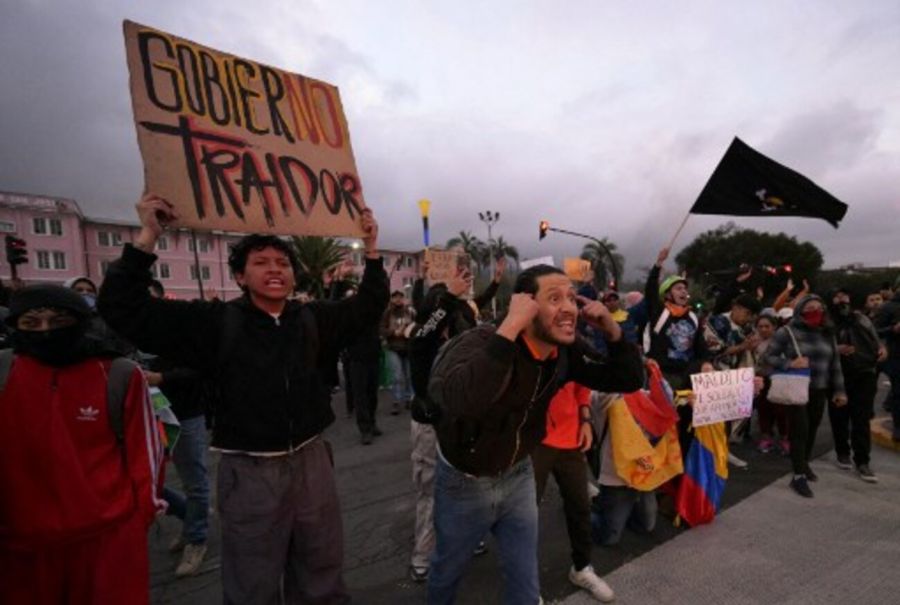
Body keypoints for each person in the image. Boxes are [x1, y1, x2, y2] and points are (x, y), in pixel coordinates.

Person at [98, 194, 388, 604]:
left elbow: (367, 306)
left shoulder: (313, 318)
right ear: (239, 276)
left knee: (322, 573)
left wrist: (372, 249)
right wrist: (148, 236)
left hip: (312, 463)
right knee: (253, 584)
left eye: (283, 263)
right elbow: (123, 307)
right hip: (249, 472)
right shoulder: (214, 322)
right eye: (261, 262)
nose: (275, 269)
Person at [426, 265, 643, 604]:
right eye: (554, 299)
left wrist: (613, 332)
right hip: (464, 482)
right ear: (524, 305)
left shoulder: (565, 352)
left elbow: (627, 379)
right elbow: (460, 400)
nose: (569, 308)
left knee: (525, 582)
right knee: (447, 570)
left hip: (519, 475)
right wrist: (510, 327)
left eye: (571, 298)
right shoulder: (479, 342)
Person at [0, 285, 164, 604]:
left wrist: (139, 519)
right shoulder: (5, 373)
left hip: (106, 538)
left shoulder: (117, 374)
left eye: (59, 321)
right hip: (21, 546)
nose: (46, 331)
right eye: (31, 323)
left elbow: (146, 454)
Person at [406, 262, 494, 583]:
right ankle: (423, 557)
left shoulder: (462, 336)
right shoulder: (422, 338)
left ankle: (469, 537)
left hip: (462, 423)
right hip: (430, 425)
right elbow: (424, 336)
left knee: (468, 484)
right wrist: (446, 298)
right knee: (431, 491)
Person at [144, 279, 214, 577]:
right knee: (148, 480)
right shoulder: (126, 332)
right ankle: (191, 517)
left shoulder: (182, 331)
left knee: (194, 479)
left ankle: (196, 538)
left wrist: (162, 378)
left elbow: (201, 369)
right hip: (144, 417)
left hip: (183, 414)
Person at [533, 383, 614, 602]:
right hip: (534, 439)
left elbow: (582, 385)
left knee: (580, 505)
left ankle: (582, 567)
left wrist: (585, 420)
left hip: (570, 437)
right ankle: (525, 584)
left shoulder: (576, 356)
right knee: (526, 517)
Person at [763, 295, 847, 498]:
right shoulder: (787, 331)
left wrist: (839, 390)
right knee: (800, 431)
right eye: (810, 308)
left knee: (812, 429)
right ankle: (798, 475)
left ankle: (804, 463)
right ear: (800, 310)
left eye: (819, 307)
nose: (815, 311)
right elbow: (768, 356)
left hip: (820, 389)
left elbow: (835, 364)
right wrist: (789, 363)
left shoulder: (827, 333)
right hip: (796, 389)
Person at [827, 288, 884, 482]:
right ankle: (842, 451)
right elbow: (817, 347)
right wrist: (837, 349)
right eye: (837, 296)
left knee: (861, 419)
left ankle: (862, 461)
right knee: (839, 416)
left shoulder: (861, 319)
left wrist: (882, 350)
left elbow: (876, 341)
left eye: (844, 295)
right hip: (837, 376)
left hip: (864, 374)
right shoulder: (826, 323)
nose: (841, 299)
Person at [753, 314, 790, 455]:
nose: (763, 329)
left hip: (779, 379)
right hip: (760, 380)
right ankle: (766, 437)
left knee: (781, 411)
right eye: (760, 326)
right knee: (763, 410)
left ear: (774, 327)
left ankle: (785, 438)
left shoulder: (782, 341)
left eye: (767, 326)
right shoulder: (752, 341)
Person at [873, 276, 900, 442]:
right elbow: (875, 331)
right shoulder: (887, 307)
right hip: (896, 355)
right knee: (898, 392)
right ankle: (898, 427)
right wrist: (893, 329)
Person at [381, 290, 416, 415]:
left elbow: (416, 327)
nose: (398, 299)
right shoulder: (387, 313)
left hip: (408, 347)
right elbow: (382, 329)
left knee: (409, 375)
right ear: (391, 299)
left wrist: (410, 330)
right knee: (397, 376)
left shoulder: (410, 312)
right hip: (393, 348)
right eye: (395, 297)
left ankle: (409, 398)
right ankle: (396, 401)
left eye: (400, 297)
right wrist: (393, 333)